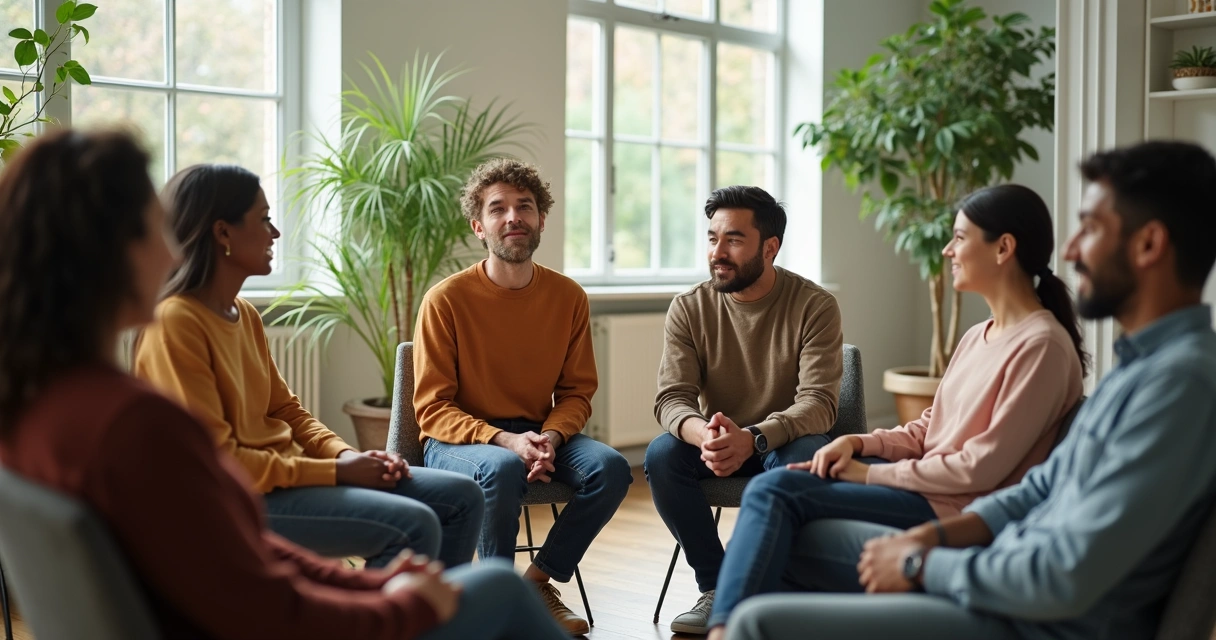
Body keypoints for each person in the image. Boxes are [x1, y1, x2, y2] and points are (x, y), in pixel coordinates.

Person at [0, 129, 570, 640]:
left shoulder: (40, 410)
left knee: (480, 571)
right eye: (156, 228)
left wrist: (377, 587)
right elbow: (256, 601)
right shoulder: (136, 423)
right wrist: (396, 610)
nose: (173, 248)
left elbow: (235, 550)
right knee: (499, 587)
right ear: (111, 253)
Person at [724, 141, 1216, 640]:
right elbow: (1038, 489)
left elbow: (1063, 573)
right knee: (781, 539)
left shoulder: (1178, 385)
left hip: (1034, 619)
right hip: (1002, 569)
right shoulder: (1139, 372)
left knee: (758, 614)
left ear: (1149, 244)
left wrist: (920, 562)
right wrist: (926, 535)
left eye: (1089, 229)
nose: (1068, 252)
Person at [704, 184, 1088, 638]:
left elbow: (979, 471)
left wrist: (870, 474)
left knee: (774, 491)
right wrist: (860, 443)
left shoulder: (1040, 346)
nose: (948, 250)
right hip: (927, 488)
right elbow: (931, 428)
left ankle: (725, 630)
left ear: (1004, 248)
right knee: (789, 495)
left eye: (960, 238)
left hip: (957, 511)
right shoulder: (978, 334)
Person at [133, 163, 484, 570]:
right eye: (263, 219)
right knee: (413, 524)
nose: (275, 233)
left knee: (463, 496)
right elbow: (219, 462)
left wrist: (349, 456)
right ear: (223, 232)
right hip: (236, 498)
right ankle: (386, 621)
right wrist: (336, 472)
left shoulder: (243, 314)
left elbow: (286, 411)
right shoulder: (177, 323)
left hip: (287, 476)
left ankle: (441, 625)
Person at [413, 157, 632, 635]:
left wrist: (550, 436)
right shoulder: (445, 300)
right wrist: (505, 442)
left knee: (612, 468)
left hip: (536, 432)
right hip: (461, 442)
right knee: (504, 466)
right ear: (479, 226)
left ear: (541, 221)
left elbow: (577, 391)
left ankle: (533, 585)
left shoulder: (568, 296)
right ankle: (492, 605)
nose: (513, 217)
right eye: (498, 209)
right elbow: (431, 409)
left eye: (524, 207)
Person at [644, 185, 844, 634]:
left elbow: (820, 404)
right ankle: (718, 587)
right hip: (718, 442)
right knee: (660, 454)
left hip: (782, 441)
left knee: (807, 454)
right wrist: (705, 436)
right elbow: (671, 398)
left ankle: (781, 584)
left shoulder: (814, 306)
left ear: (770, 247)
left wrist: (752, 437)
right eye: (712, 238)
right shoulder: (690, 307)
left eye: (733, 239)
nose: (718, 251)